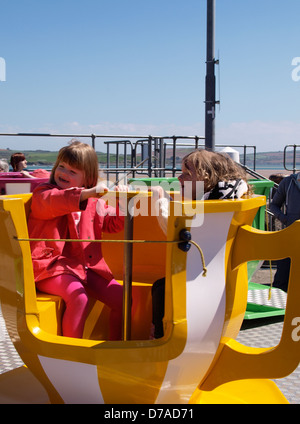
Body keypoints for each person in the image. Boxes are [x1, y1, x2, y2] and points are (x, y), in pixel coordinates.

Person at [28, 140, 128, 340]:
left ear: (88, 177)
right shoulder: (44, 193)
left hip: (82, 266)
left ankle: (117, 344)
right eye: (62, 167)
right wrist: (88, 193)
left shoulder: (93, 202)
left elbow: (112, 225)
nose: (64, 173)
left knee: (123, 299)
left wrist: (122, 201)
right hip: (50, 267)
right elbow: (53, 202)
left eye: (73, 172)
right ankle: (73, 350)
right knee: (78, 297)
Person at [151, 149, 249, 338]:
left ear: (208, 178)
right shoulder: (228, 194)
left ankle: (160, 339)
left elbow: (176, 231)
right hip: (218, 272)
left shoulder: (215, 204)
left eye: (187, 174)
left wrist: (159, 200)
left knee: (162, 290)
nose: (179, 178)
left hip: (205, 277)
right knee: (160, 286)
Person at [269, 172, 300, 292]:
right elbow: (274, 205)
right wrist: (284, 218)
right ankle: (279, 306)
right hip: (290, 234)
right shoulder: (288, 183)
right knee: (282, 277)